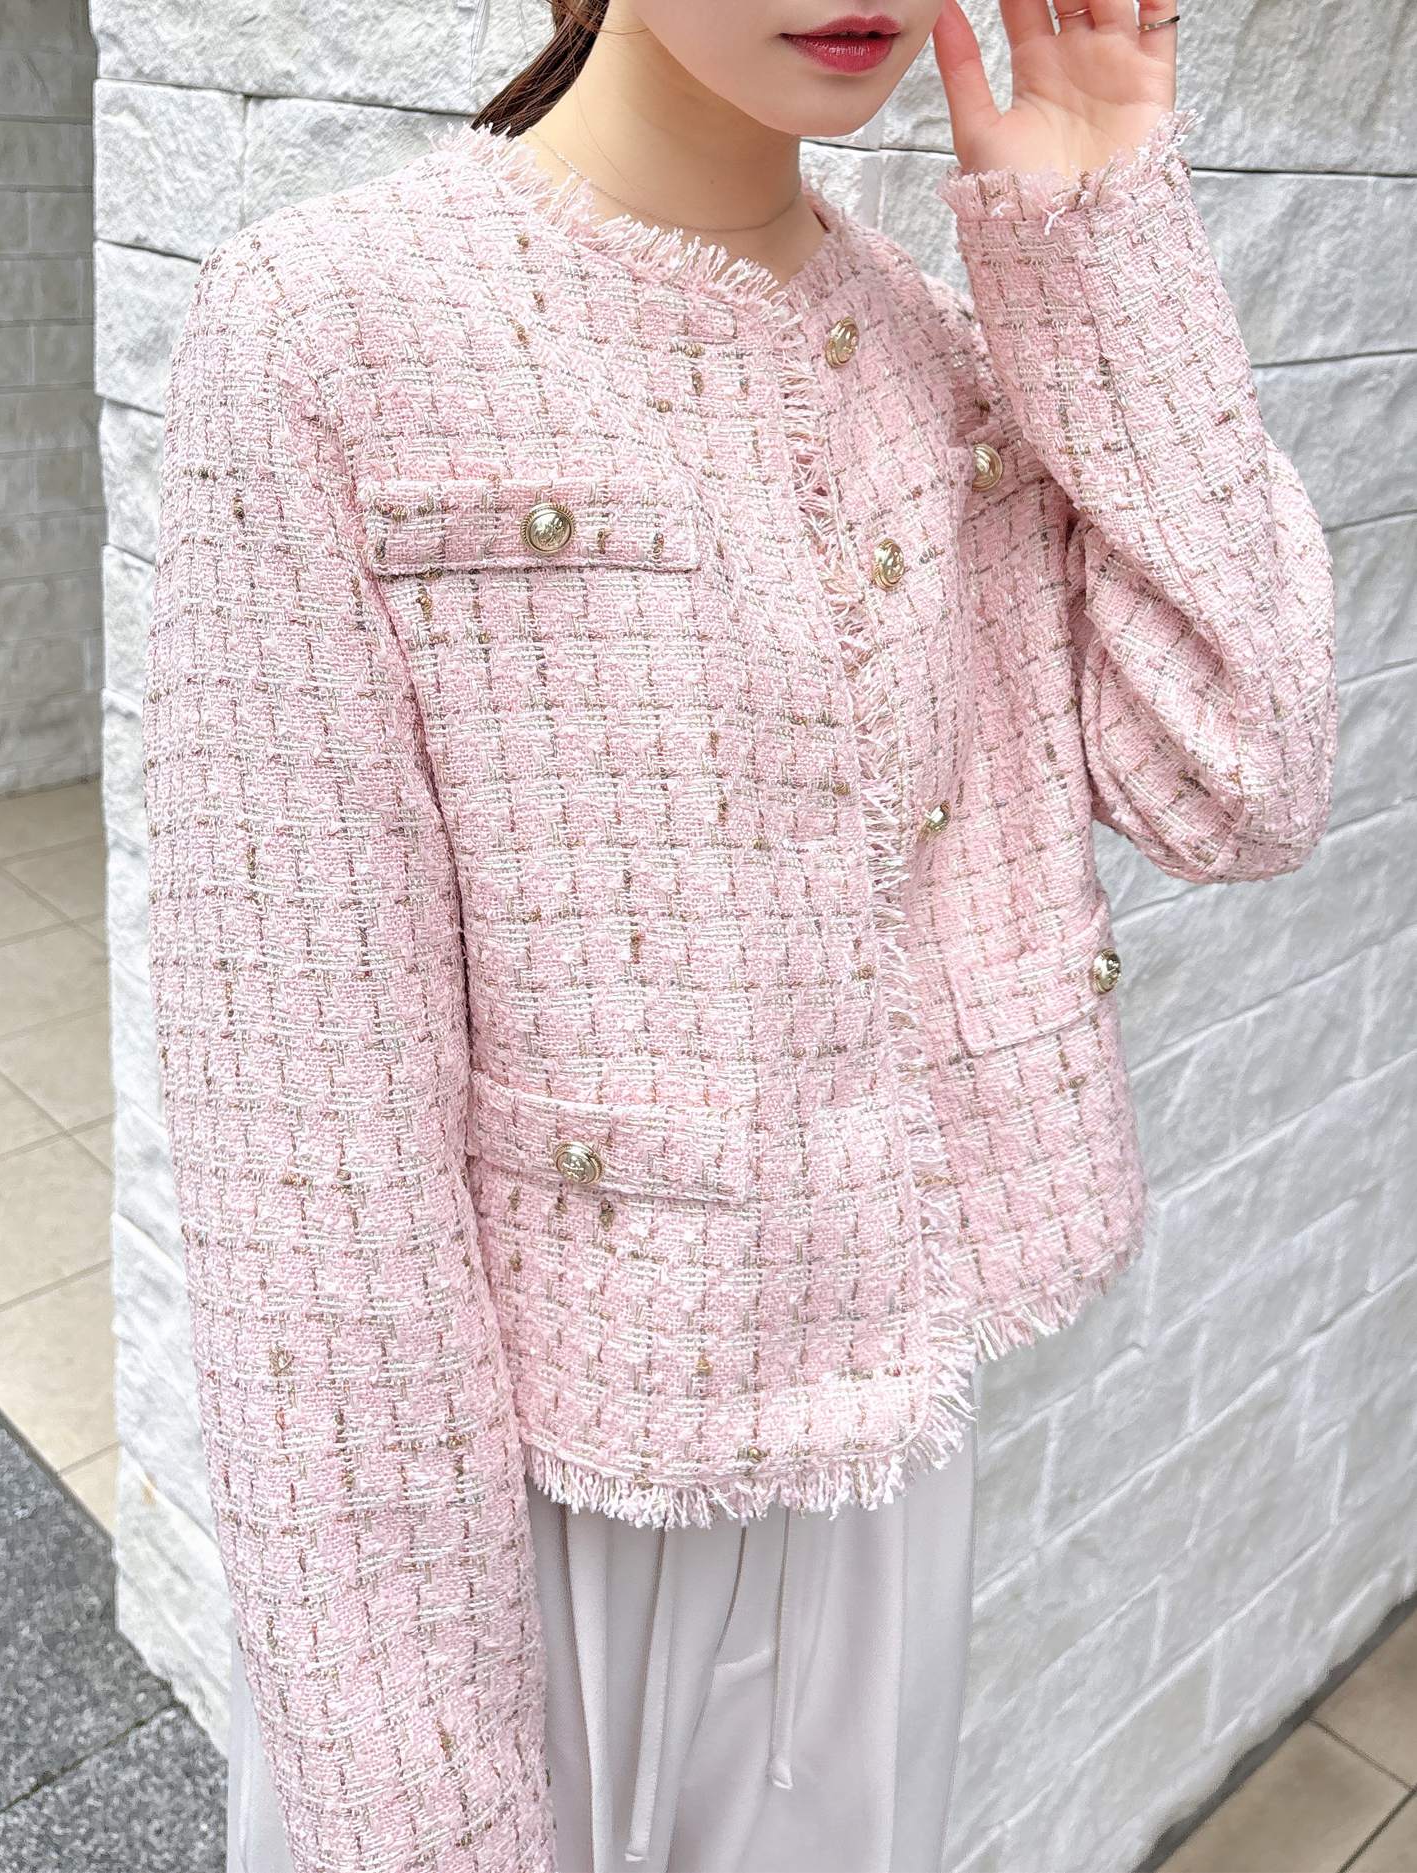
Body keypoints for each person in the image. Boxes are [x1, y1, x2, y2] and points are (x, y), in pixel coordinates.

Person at [139, 1, 1339, 1869]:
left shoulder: (947, 356)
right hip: (500, 1526)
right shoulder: (332, 333)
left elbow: (1241, 777)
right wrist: (419, 1801)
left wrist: (1101, 228)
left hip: (876, 1484)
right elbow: (311, 1174)